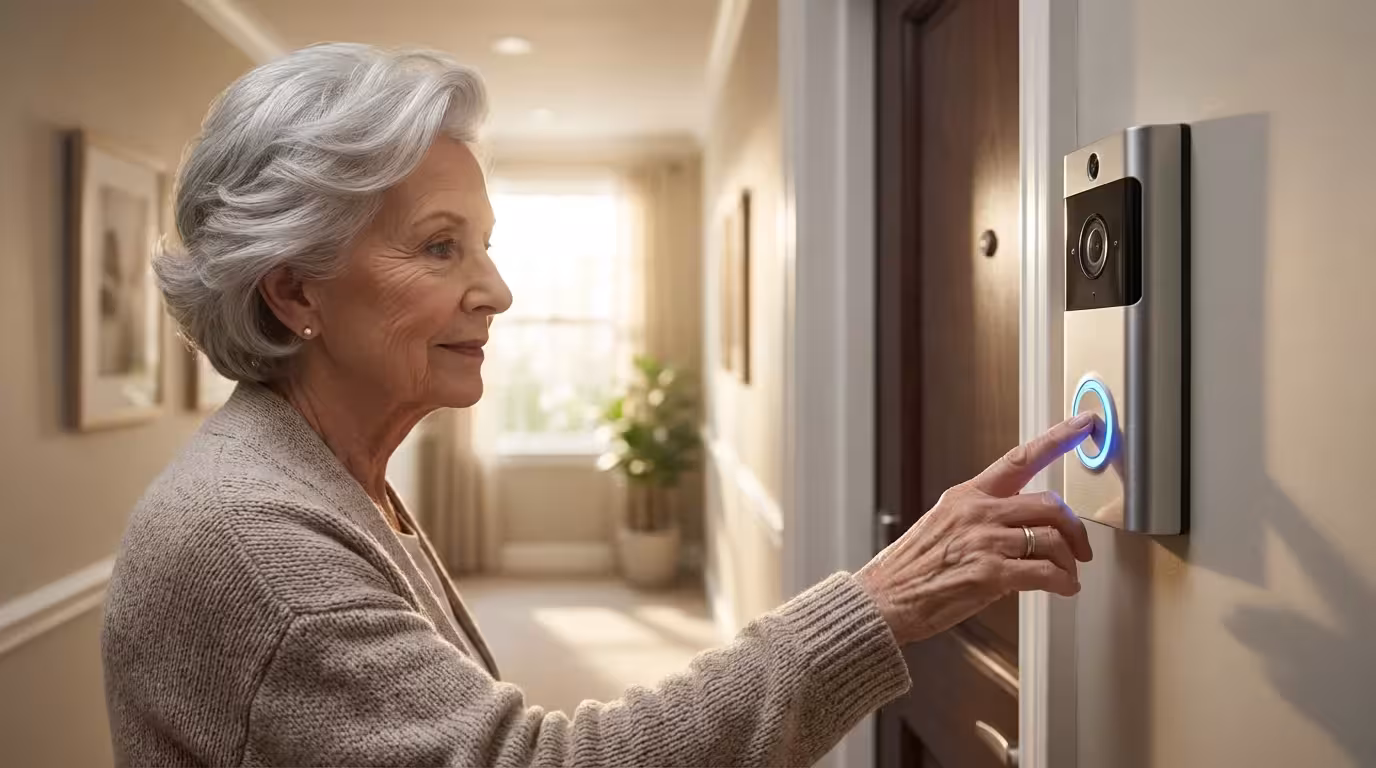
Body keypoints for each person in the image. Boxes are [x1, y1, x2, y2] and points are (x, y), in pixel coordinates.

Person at [102, 43, 1095, 767]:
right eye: (440, 246)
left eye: (482, 243)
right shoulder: (251, 538)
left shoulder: (331, 479)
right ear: (294, 291)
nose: (495, 290)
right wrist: (876, 603)